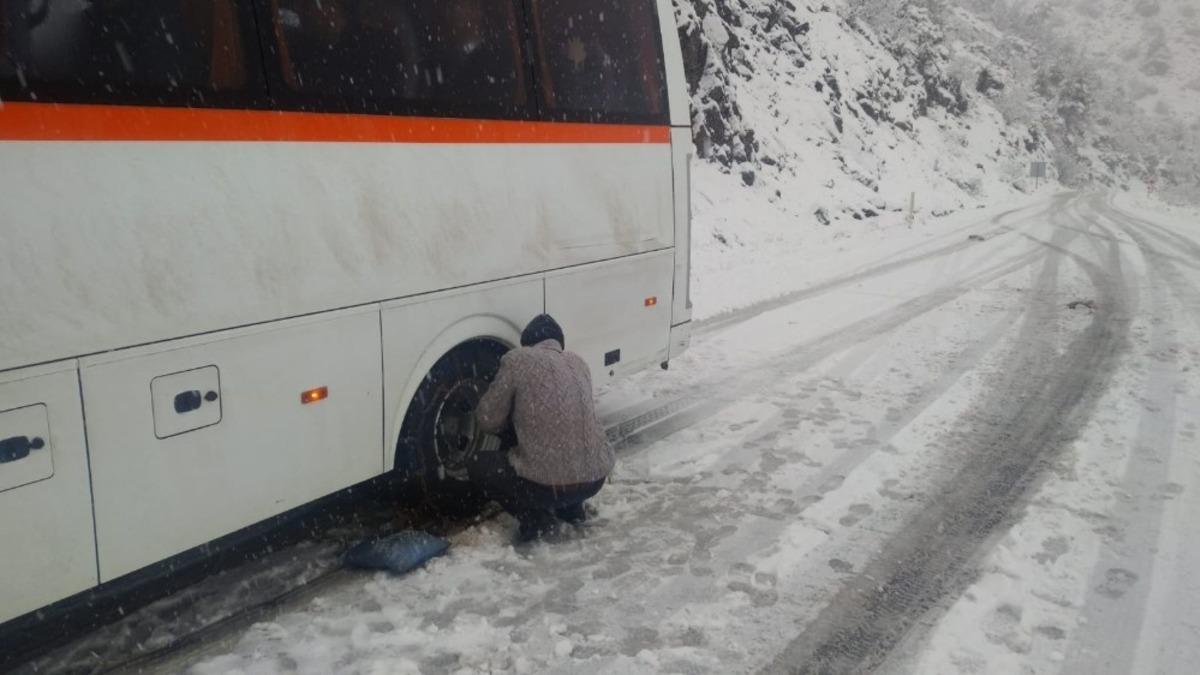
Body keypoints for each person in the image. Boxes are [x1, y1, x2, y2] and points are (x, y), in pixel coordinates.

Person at [470, 314, 614, 543]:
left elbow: (487, 419)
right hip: (594, 479)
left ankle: (535, 520)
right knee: (566, 434)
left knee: (478, 465)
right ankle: (571, 509)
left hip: (545, 487)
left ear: (527, 342)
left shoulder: (517, 359)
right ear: (559, 343)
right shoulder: (578, 362)